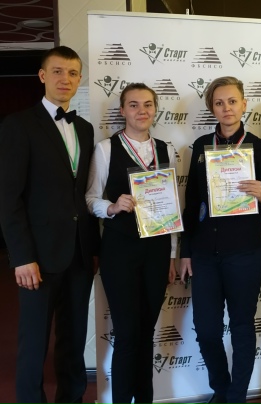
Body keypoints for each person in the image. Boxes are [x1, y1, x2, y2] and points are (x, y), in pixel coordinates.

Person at [0, 46, 100, 404]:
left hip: (79, 255)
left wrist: (93, 249)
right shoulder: (18, 125)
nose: (65, 79)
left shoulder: (85, 129)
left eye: (72, 73)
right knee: (34, 343)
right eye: (57, 71)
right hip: (38, 258)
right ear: (42, 76)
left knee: (73, 341)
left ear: (79, 79)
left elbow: (82, 194)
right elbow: (8, 199)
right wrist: (21, 257)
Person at [179, 76, 261, 404]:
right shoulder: (201, 146)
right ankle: (221, 389)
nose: (227, 108)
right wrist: (186, 250)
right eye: (219, 103)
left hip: (245, 253)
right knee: (206, 330)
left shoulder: (260, 148)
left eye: (232, 101)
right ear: (212, 108)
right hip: (205, 252)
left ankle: (235, 397)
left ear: (244, 104)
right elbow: (192, 202)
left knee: (242, 327)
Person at [86, 83, 178, 404]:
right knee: (127, 335)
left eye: (148, 104)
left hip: (156, 250)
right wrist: (112, 207)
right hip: (120, 249)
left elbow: (172, 208)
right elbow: (90, 198)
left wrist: (172, 255)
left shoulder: (166, 150)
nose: (142, 111)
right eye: (134, 105)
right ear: (123, 110)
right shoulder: (106, 149)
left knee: (147, 333)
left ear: (155, 109)